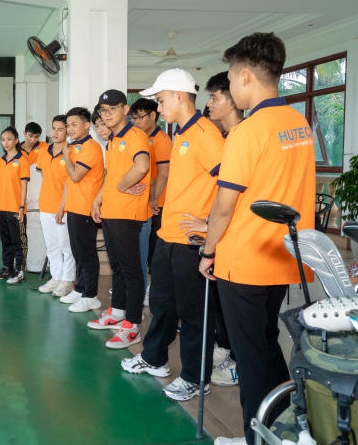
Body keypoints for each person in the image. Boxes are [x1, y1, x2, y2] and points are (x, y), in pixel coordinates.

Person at [200, 33, 315, 445]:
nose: (229, 89)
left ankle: (255, 437)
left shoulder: (248, 133)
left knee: (250, 360)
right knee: (268, 346)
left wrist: (207, 250)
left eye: (230, 80)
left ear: (245, 76)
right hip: (282, 257)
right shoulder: (297, 123)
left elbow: (224, 207)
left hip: (243, 261)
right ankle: (286, 428)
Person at [121, 68, 225, 403]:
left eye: (161, 100)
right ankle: (154, 357)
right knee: (163, 303)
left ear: (180, 96)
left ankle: (196, 378)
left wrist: (209, 223)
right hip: (169, 234)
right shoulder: (181, 132)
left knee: (193, 312)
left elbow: (232, 183)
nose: (158, 107)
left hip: (191, 241)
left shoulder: (206, 133)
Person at [180, 71, 245, 388]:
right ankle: (226, 350)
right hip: (224, 237)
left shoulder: (240, 136)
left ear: (234, 98)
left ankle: (235, 361)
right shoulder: (227, 136)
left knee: (243, 318)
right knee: (222, 304)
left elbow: (231, 195)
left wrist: (209, 225)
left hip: (238, 238)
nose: (209, 104)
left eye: (215, 97)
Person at [89, 89, 151, 349]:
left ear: (125, 109)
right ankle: (117, 313)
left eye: (111, 109)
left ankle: (132, 325)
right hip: (112, 211)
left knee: (131, 270)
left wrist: (123, 188)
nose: (107, 115)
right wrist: (98, 199)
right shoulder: (113, 140)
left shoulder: (135, 135)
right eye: (103, 111)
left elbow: (142, 165)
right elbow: (112, 175)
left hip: (127, 213)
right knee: (117, 267)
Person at [59, 107, 105, 313]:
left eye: (74, 124)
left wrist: (67, 156)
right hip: (74, 207)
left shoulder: (91, 148)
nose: (70, 129)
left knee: (87, 254)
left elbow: (76, 175)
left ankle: (91, 296)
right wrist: (64, 205)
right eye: (68, 125)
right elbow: (70, 181)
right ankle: (80, 289)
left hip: (86, 209)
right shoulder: (74, 147)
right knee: (77, 252)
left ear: (87, 125)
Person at [129, 98, 171, 304]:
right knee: (139, 249)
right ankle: (140, 286)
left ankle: (152, 290)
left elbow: (164, 173)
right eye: (134, 117)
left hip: (157, 203)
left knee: (154, 251)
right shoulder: (137, 138)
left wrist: (153, 198)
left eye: (140, 117)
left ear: (153, 116)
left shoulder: (161, 139)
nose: (136, 121)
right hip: (141, 202)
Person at [36, 115, 76, 297]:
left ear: (67, 131)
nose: (56, 132)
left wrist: (62, 205)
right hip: (45, 204)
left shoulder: (72, 151)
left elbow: (70, 181)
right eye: (53, 128)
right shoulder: (44, 151)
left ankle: (67, 280)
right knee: (52, 245)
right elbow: (46, 176)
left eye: (60, 129)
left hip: (65, 207)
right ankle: (56, 277)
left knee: (65, 246)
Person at [0, 126, 30, 284]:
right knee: (5, 240)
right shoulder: (1, 161)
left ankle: (19, 271)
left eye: (8, 139)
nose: (5, 142)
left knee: (18, 241)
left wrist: (21, 207)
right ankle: (7, 268)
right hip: (2, 209)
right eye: (3, 140)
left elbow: (24, 185)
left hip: (16, 209)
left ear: (15, 140)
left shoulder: (22, 160)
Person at [20, 122, 49, 273]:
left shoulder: (45, 147)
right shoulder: (16, 150)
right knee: (27, 232)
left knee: (43, 233)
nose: (32, 139)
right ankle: (27, 263)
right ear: (24, 133)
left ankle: (44, 264)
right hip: (24, 198)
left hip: (42, 197)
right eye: (30, 136)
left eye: (36, 137)